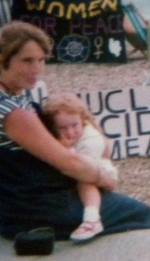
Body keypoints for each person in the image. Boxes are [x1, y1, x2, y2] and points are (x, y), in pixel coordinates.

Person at [0, 20, 150, 241]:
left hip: (19, 200)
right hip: (35, 208)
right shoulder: (11, 111)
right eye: (27, 61)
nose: (36, 69)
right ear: (2, 60)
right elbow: (67, 163)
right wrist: (103, 177)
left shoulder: (15, 95)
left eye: (41, 60)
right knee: (139, 214)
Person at [41, 92, 119, 242]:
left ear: (82, 119)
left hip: (98, 171)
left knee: (85, 182)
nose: (70, 132)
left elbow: (82, 168)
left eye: (74, 125)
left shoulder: (92, 139)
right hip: (80, 165)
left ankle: (92, 218)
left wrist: (67, 150)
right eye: (62, 127)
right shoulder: (64, 134)